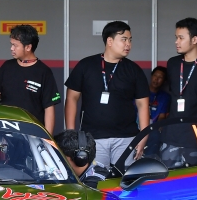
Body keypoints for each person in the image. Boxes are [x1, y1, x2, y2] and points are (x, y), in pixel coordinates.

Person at [64, 21, 150, 169]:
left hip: (126, 137)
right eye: (123, 39)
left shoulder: (134, 70)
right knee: (95, 181)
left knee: (125, 183)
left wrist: (143, 136)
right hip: (93, 137)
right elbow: (72, 98)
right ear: (109, 41)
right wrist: (72, 135)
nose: (128, 44)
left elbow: (143, 105)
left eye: (130, 40)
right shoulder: (86, 65)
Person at [0, 25, 60, 133]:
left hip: (32, 133)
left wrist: (48, 139)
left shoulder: (44, 72)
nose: (11, 48)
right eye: (11, 44)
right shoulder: (7, 66)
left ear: (28, 47)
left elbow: (49, 108)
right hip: (6, 130)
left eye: (15, 45)